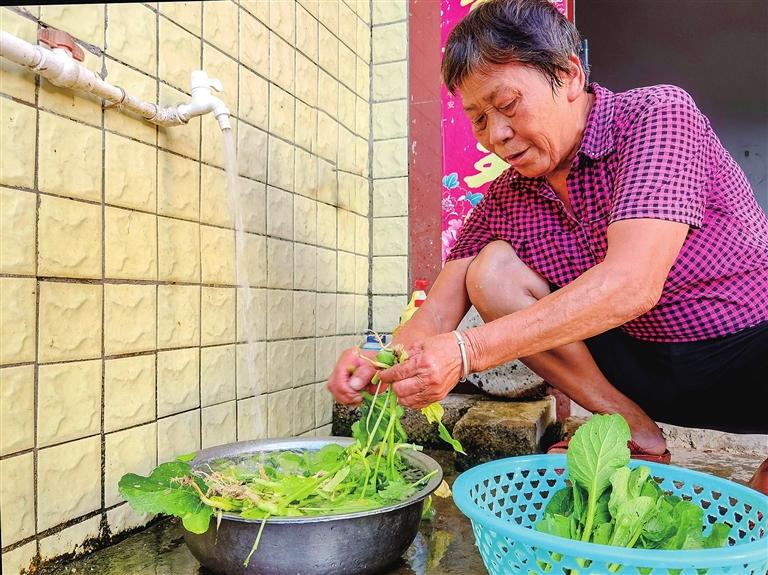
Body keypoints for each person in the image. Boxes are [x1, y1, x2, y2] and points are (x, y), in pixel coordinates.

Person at [327, 0, 768, 493]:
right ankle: (635, 430)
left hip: (747, 359)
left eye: (508, 104)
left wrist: (467, 352)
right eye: (478, 119)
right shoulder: (508, 192)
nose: (497, 135)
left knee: (755, 527)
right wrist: (382, 360)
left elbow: (632, 284)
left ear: (570, 74)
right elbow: (437, 315)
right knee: (489, 272)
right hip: (638, 367)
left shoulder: (656, 115)